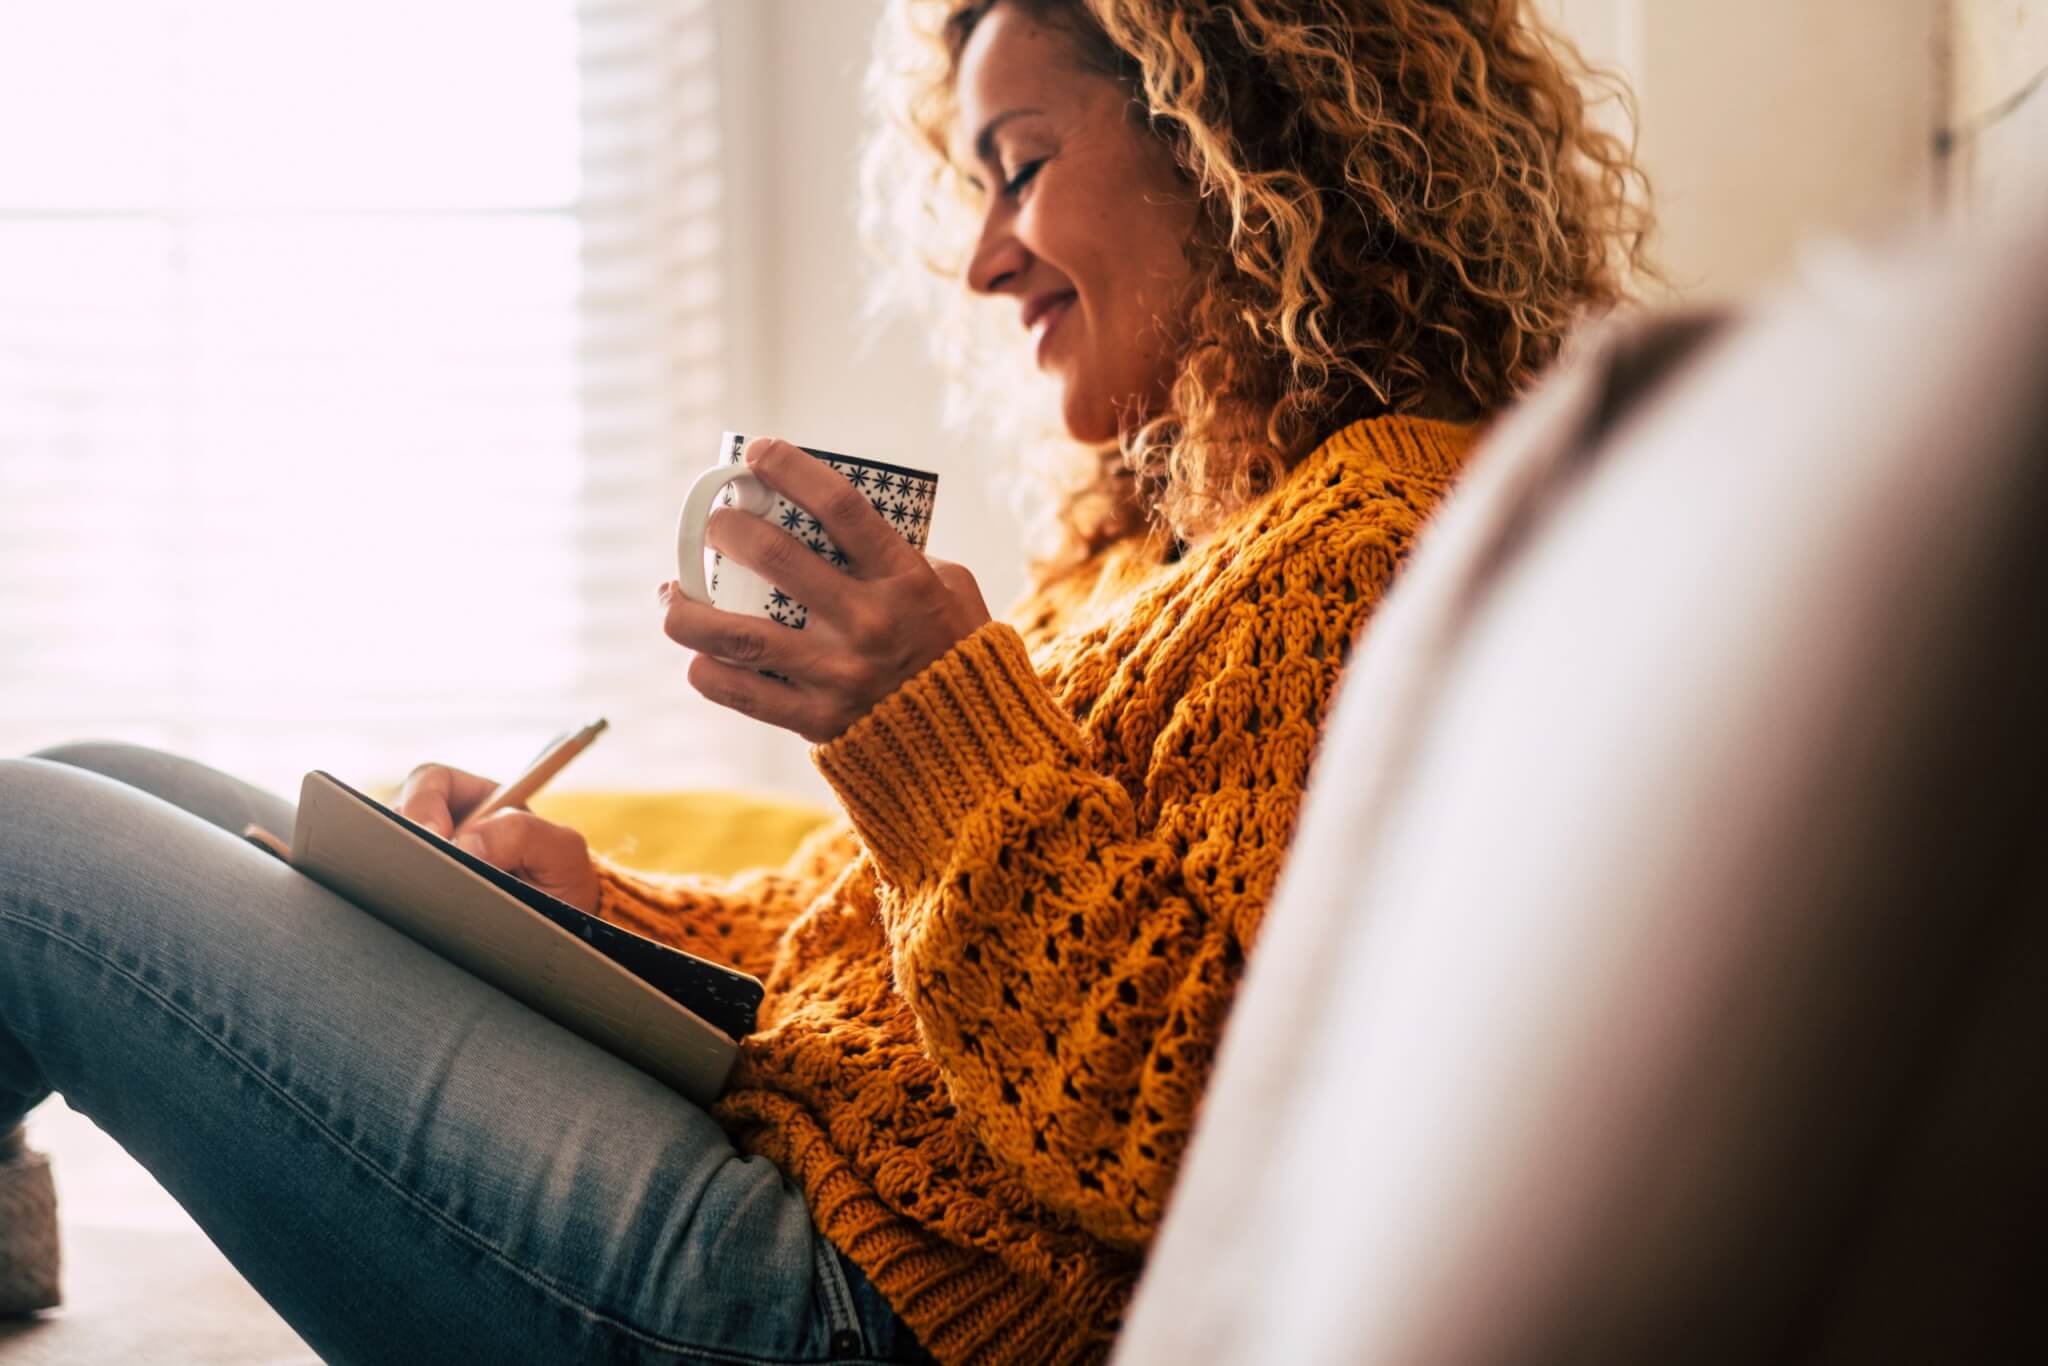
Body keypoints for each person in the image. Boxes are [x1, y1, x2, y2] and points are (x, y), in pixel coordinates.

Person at [0, 1, 1650, 1361]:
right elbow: (866, 969)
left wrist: (931, 725)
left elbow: (1191, 1137)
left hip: (852, 1307)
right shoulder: (1171, 538)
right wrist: (595, 911)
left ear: (1237, 141)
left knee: (26, 852)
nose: (987, 261)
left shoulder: (1370, 542)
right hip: (820, 1177)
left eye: (1022, 169)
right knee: (109, 775)